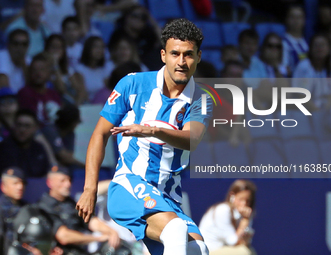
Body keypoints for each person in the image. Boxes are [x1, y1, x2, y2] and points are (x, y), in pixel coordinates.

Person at [76, 18, 212, 255]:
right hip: (129, 186)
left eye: (188, 55)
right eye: (175, 54)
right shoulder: (132, 84)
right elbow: (99, 134)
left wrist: (152, 130)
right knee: (176, 230)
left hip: (168, 197)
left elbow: (192, 139)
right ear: (163, 55)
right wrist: (89, 190)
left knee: (199, 249)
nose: (181, 62)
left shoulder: (201, 99)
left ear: (199, 56)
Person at [38, 166, 121, 254]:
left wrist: (111, 232)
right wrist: (98, 238)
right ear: (49, 183)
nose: (68, 184)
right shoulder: (43, 207)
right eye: (62, 181)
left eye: (69, 180)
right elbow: (64, 236)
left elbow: (91, 221)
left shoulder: (71, 203)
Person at [199, 180, 257, 255]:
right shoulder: (223, 210)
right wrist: (245, 222)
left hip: (223, 250)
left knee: (250, 251)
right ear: (232, 196)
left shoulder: (244, 215)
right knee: (244, 252)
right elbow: (233, 241)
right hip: (207, 252)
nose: (244, 204)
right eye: (241, 199)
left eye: (247, 201)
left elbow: (244, 243)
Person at [292, 33, 331, 111]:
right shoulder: (303, 66)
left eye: (322, 45)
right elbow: (300, 95)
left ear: (329, 48)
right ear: (310, 49)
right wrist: (317, 111)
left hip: (325, 108)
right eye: (316, 45)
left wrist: (326, 110)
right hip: (304, 108)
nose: (319, 48)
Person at [0, 109, 51, 177]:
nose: (22, 130)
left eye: (27, 126)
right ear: (14, 126)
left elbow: (46, 174)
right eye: (19, 125)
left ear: (35, 128)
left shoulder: (39, 148)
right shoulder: (3, 148)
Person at [17, 53, 61, 125]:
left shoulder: (54, 94)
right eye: (34, 70)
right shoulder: (24, 93)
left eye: (42, 69)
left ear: (49, 72)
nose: (38, 73)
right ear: (30, 72)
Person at [44, 34, 87, 105]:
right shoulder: (43, 69)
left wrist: (76, 105)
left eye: (59, 48)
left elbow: (80, 91)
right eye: (53, 47)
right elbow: (61, 88)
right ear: (47, 48)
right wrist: (55, 65)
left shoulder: (68, 70)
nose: (56, 51)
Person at [75, 36, 112, 101]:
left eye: (102, 47)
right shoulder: (80, 69)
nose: (99, 50)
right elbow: (82, 93)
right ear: (88, 48)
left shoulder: (105, 69)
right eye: (96, 47)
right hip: (88, 105)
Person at [0, 167, 27, 255]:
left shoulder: (28, 208)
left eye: (22, 183)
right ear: (3, 186)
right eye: (15, 183)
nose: (20, 187)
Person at [0, 29, 30, 93]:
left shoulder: (28, 60)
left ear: (28, 46)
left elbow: (34, 89)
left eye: (24, 44)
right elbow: (4, 89)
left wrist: (24, 67)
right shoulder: (2, 56)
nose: (20, 48)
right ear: (8, 45)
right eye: (16, 44)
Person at [282, 5, 308, 72]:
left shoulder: (307, 42)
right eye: (292, 17)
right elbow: (284, 69)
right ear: (286, 19)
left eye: (299, 17)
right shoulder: (283, 43)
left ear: (304, 20)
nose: (296, 21)